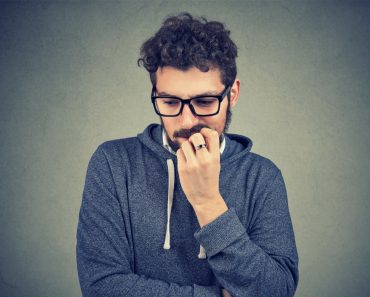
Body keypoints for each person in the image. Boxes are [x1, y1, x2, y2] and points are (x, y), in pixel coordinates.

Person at [76, 12, 299, 297]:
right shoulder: (113, 164)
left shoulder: (262, 177)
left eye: (204, 102)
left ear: (232, 94)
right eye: (169, 101)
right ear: (155, 92)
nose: (185, 122)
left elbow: (276, 291)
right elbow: (101, 287)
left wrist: (208, 202)